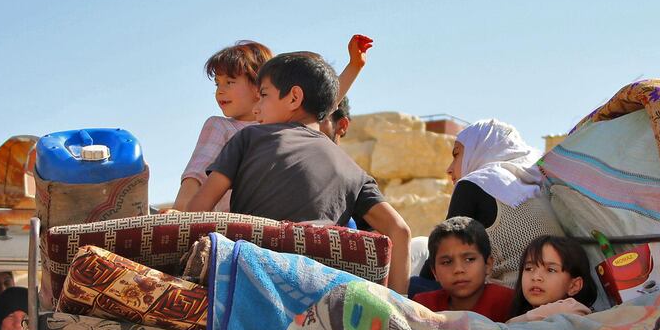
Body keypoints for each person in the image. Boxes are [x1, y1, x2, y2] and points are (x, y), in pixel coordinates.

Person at [187, 51, 411, 293]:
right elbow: (400, 231)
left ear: (294, 97)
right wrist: (400, 304)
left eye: (263, 96)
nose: (256, 109)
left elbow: (195, 212)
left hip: (251, 284)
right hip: (322, 294)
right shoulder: (353, 170)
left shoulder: (250, 138)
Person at [173, 36, 373, 211]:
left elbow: (323, 101)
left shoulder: (283, 127)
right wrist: (182, 210)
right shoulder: (221, 126)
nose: (220, 91)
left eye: (230, 82)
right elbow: (198, 172)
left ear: (259, 83)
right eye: (218, 83)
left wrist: (354, 66)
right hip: (233, 221)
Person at [420, 119, 565, 289]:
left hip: (508, 299)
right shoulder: (536, 184)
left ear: (480, 151)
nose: (449, 169)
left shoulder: (475, 183)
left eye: (457, 154)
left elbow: (439, 261)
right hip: (552, 295)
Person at [413, 217, 513, 321]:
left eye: (469, 259)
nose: (458, 269)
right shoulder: (424, 307)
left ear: (488, 264)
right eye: (447, 262)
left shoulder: (508, 303)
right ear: (434, 272)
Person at [507, 236, 598, 323]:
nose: (536, 277)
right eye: (529, 268)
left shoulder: (573, 310)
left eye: (551, 270)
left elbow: (569, 307)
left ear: (574, 286)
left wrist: (510, 325)